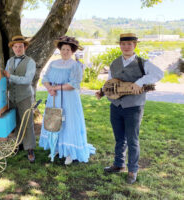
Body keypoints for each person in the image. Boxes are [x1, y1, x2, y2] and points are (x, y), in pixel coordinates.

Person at [95, 33, 163, 184]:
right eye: (123, 44)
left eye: (129, 44)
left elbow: (159, 73)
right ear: (120, 45)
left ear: (134, 46)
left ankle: (132, 170)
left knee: (132, 140)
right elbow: (110, 82)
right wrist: (101, 91)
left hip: (134, 107)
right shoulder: (114, 63)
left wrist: (140, 82)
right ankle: (119, 165)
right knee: (119, 138)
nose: (126, 47)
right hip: (116, 106)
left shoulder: (142, 63)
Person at [39, 36, 96, 165]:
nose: (65, 51)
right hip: (54, 96)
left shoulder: (75, 65)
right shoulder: (53, 64)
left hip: (69, 98)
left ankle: (70, 151)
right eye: (63, 49)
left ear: (73, 51)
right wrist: (49, 88)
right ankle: (58, 147)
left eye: (68, 49)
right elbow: (45, 78)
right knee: (55, 120)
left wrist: (56, 87)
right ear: (60, 50)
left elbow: (73, 84)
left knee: (69, 122)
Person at [3, 35, 36, 163]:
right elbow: (6, 78)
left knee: (27, 122)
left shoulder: (30, 62)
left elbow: (27, 80)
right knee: (15, 121)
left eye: (20, 46)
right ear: (13, 48)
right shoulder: (9, 61)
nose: (18, 49)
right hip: (12, 97)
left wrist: (10, 76)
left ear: (25, 47)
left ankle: (30, 149)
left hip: (25, 96)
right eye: (15, 47)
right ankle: (18, 144)